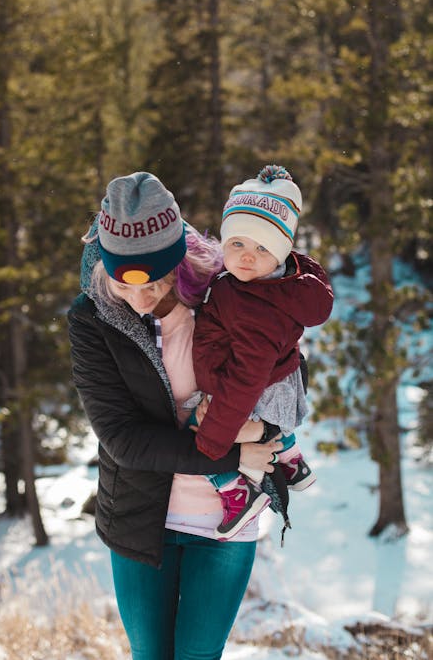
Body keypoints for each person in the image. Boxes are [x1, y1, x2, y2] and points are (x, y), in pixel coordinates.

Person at [68, 171, 283, 660]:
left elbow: (283, 375)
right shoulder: (93, 317)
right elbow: (124, 438)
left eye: (157, 284)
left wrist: (264, 433)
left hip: (224, 523)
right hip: (141, 520)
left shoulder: (228, 294)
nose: (141, 300)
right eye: (125, 285)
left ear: (180, 261)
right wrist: (231, 453)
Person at [192, 164, 334, 541]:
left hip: (255, 395)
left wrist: (212, 439)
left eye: (262, 247)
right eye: (237, 243)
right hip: (275, 389)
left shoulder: (253, 303)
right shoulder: (271, 283)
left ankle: (237, 492)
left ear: (281, 252)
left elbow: (246, 377)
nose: (247, 257)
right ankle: (290, 458)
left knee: (197, 429)